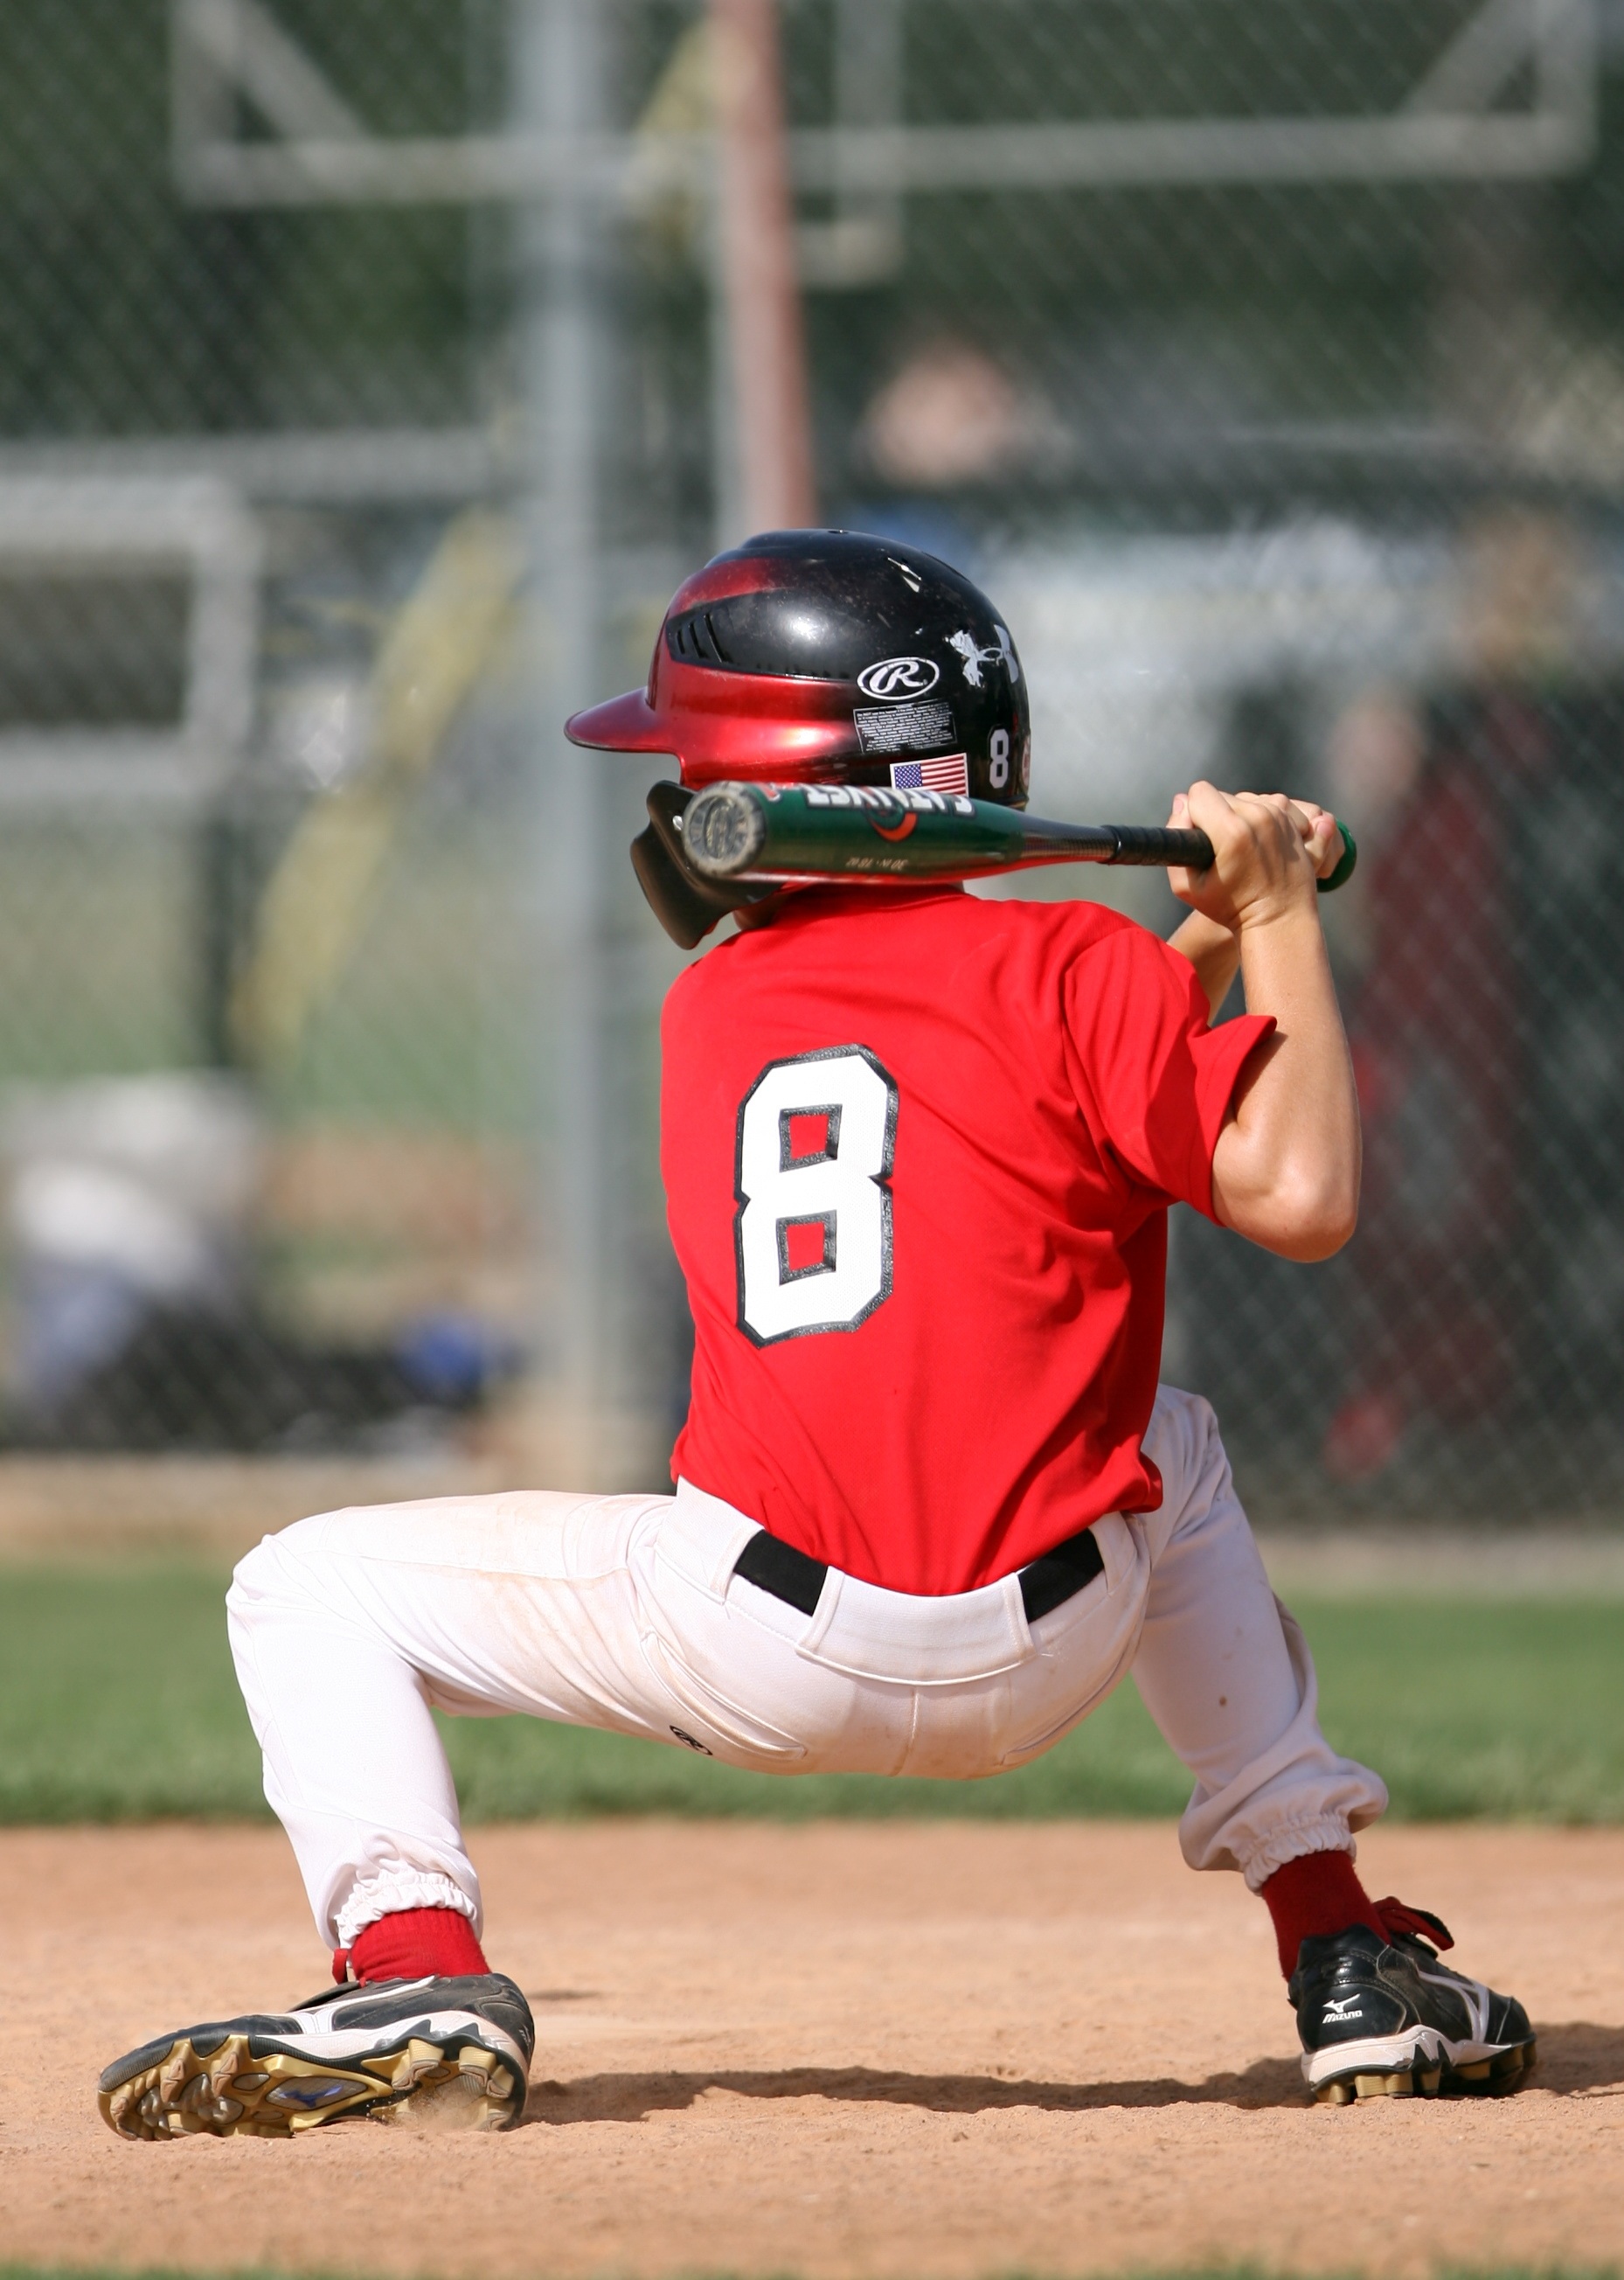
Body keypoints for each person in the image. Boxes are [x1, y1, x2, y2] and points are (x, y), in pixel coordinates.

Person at [99, 532, 1531, 2141]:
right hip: (1056, 1644)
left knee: (305, 1583)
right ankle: (1341, 1952)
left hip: (760, 1646)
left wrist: (1213, 931)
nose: (679, 807)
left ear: (798, 790)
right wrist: (1272, 917)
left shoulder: (715, 1006)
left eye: (701, 766)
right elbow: (1286, 1180)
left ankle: (412, 1964)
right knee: (1173, 1447)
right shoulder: (1073, 972)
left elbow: (1030, 1066)